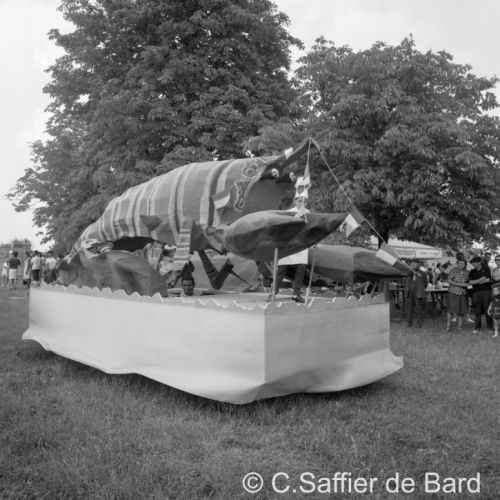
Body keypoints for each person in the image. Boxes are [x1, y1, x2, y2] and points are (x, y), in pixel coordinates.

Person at [269, 195, 309, 303]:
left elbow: (310, 228)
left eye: (304, 202)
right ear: (295, 201)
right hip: (289, 243)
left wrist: (314, 241)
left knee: (301, 267)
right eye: (300, 201)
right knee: (282, 268)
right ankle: (273, 292)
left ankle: (296, 294)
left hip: (301, 245)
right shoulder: (288, 213)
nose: (302, 204)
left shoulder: (308, 213)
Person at [468, 256, 493, 333]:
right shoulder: (472, 271)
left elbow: (488, 279)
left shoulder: (486, 268)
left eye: (474, 262)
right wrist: (481, 279)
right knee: (477, 310)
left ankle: (490, 327)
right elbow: (470, 282)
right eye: (472, 263)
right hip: (476, 292)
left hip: (486, 291)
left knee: (487, 309)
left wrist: (476, 282)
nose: (473, 264)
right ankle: (477, 328)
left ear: (479, 262)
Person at [446, 259, 469, 331]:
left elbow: (469, 282)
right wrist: (460, 284)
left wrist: (468, 284)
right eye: (460, 263)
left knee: (462, 310)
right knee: (451, 309)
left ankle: (460, 327)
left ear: (465, 265)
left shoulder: (467, 272)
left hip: (463, 292)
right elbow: (449, 281)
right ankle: (448, 326)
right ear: (457, 263)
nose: (461, 265)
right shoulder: (453, 270)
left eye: (463, 264)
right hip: (453, 291)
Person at [405, 259, 429, 328]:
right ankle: (409, 323)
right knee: (409, 309)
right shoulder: (408, 273)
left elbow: (426, 284)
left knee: (419, 309)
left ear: (418, 265)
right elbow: (405, 282)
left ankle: (419, 324)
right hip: (410, 292)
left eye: (414, 264)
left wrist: (420, 289)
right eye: (412, 264)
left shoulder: (423, 273)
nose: (413, 265)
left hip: (418, 292)